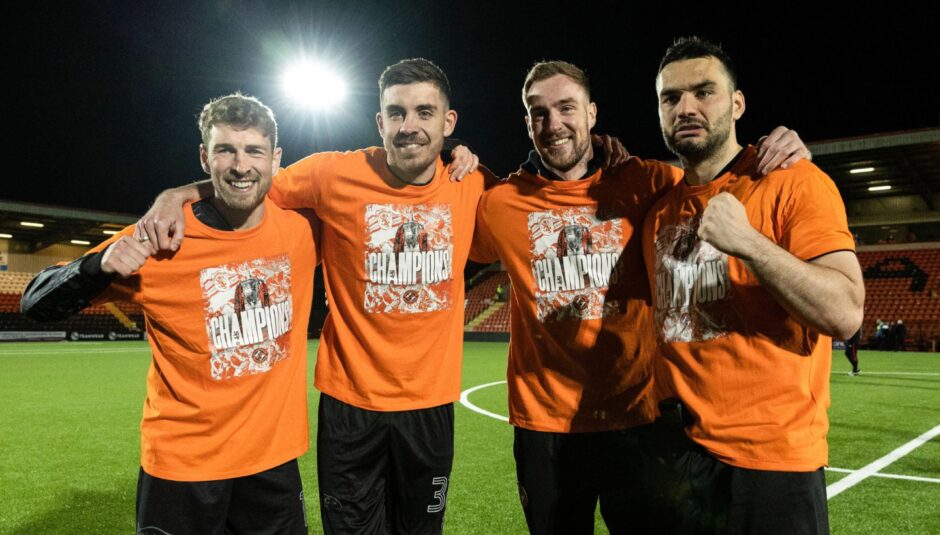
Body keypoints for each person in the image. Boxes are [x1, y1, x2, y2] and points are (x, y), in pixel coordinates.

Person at [140, 59, 485, 534]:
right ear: (380, 122)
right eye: (397, 113)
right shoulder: (331, 174)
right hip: (350, 405)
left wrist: (471, 158)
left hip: (429, 405)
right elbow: (246, 181)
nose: (410, 127)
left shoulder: (472, 184)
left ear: (448, 123)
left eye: (425, 113)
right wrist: (175, 194)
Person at [470, 60, 810, 534]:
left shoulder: (649, 183)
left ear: (591, 113)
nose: (553, 124)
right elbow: (438, 213)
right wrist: (459, 163)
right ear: (527, 123)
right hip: (545, 427)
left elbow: (715, 176)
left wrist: (776, 152)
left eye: (566, 107)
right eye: (538, 112)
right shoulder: (500, 203)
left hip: (637, 421)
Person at [20, 94, 317, 534]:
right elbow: (34, 303)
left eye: (254, 150)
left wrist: (456, 148)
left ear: (276, 159)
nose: (240, 165)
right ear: (204, 157)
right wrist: (97, 266)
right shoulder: (160, 238)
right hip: (183, 468)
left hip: (272, 464)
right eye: (225, 150)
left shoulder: (303, 229)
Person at [642, 37, 864, 533]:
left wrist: (749, 243)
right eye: (670, 98)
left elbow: (846, 312)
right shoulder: (657, 212)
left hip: (773, 465)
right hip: (679, 462)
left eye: (705, 92)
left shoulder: (793, 181)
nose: (687, 108)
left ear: (737, 103)